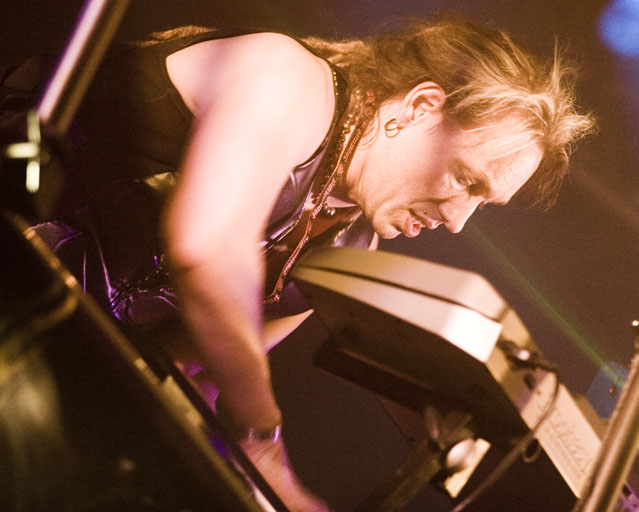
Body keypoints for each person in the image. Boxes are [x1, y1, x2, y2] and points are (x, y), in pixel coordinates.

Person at [13, 13, 593, 511]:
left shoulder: (349, 246)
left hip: (38, 347)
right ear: (420, 107)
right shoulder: (289, 79)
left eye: (482, 204)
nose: (460, 220)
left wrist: (278, 492)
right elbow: (207, 252)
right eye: (467, 179)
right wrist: (263, 435)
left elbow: (194, 373)